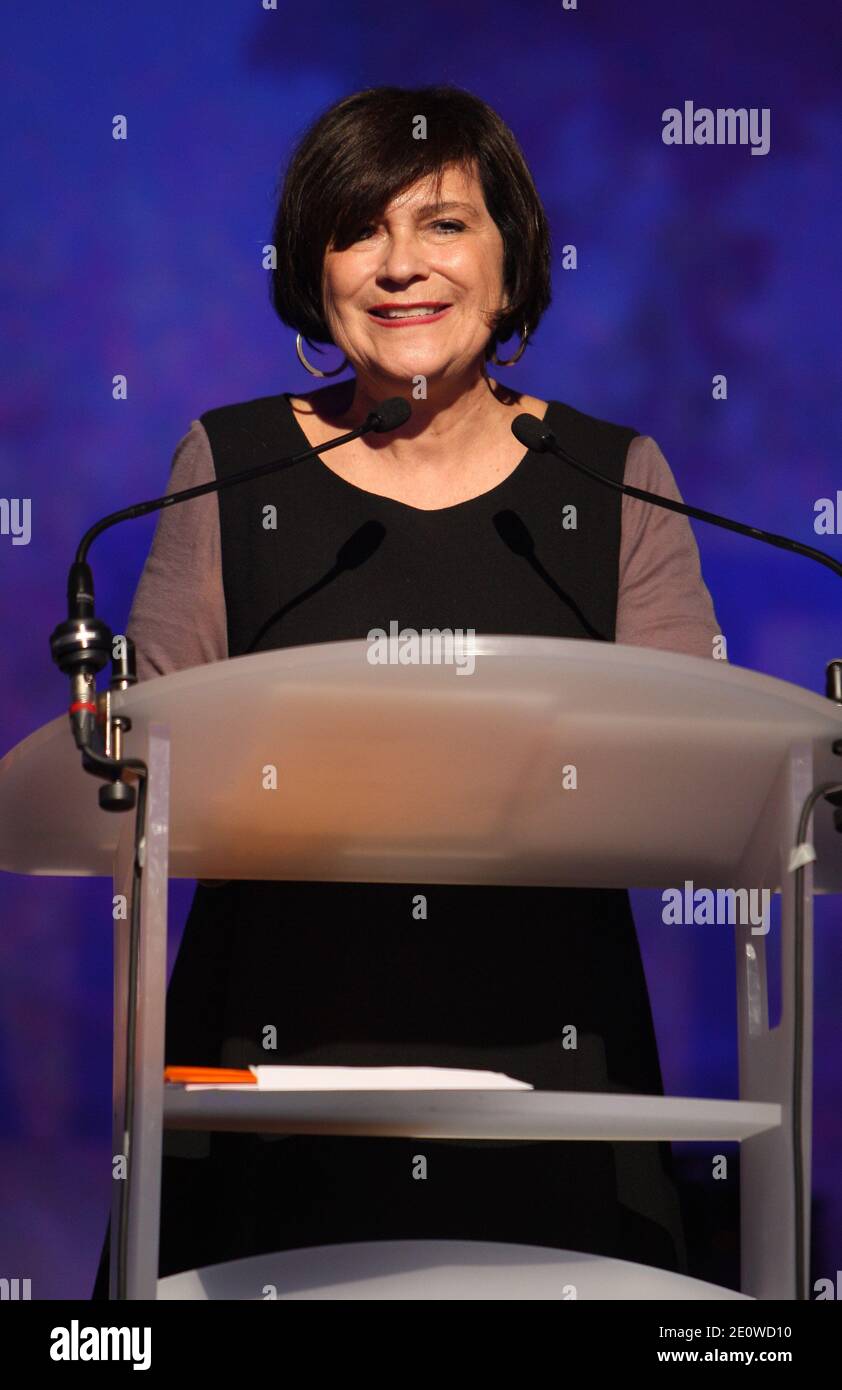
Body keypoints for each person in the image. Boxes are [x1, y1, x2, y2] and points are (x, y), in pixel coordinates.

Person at [93, 84, 722, 1297]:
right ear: (312, 269)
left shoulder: (616, 480)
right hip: (268, 1059)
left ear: (509, 260)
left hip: (555, 1070)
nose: (398, 267)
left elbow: (699, 781)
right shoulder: (231, 465)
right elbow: (144, 773)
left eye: (441, 225)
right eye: (356, 230)